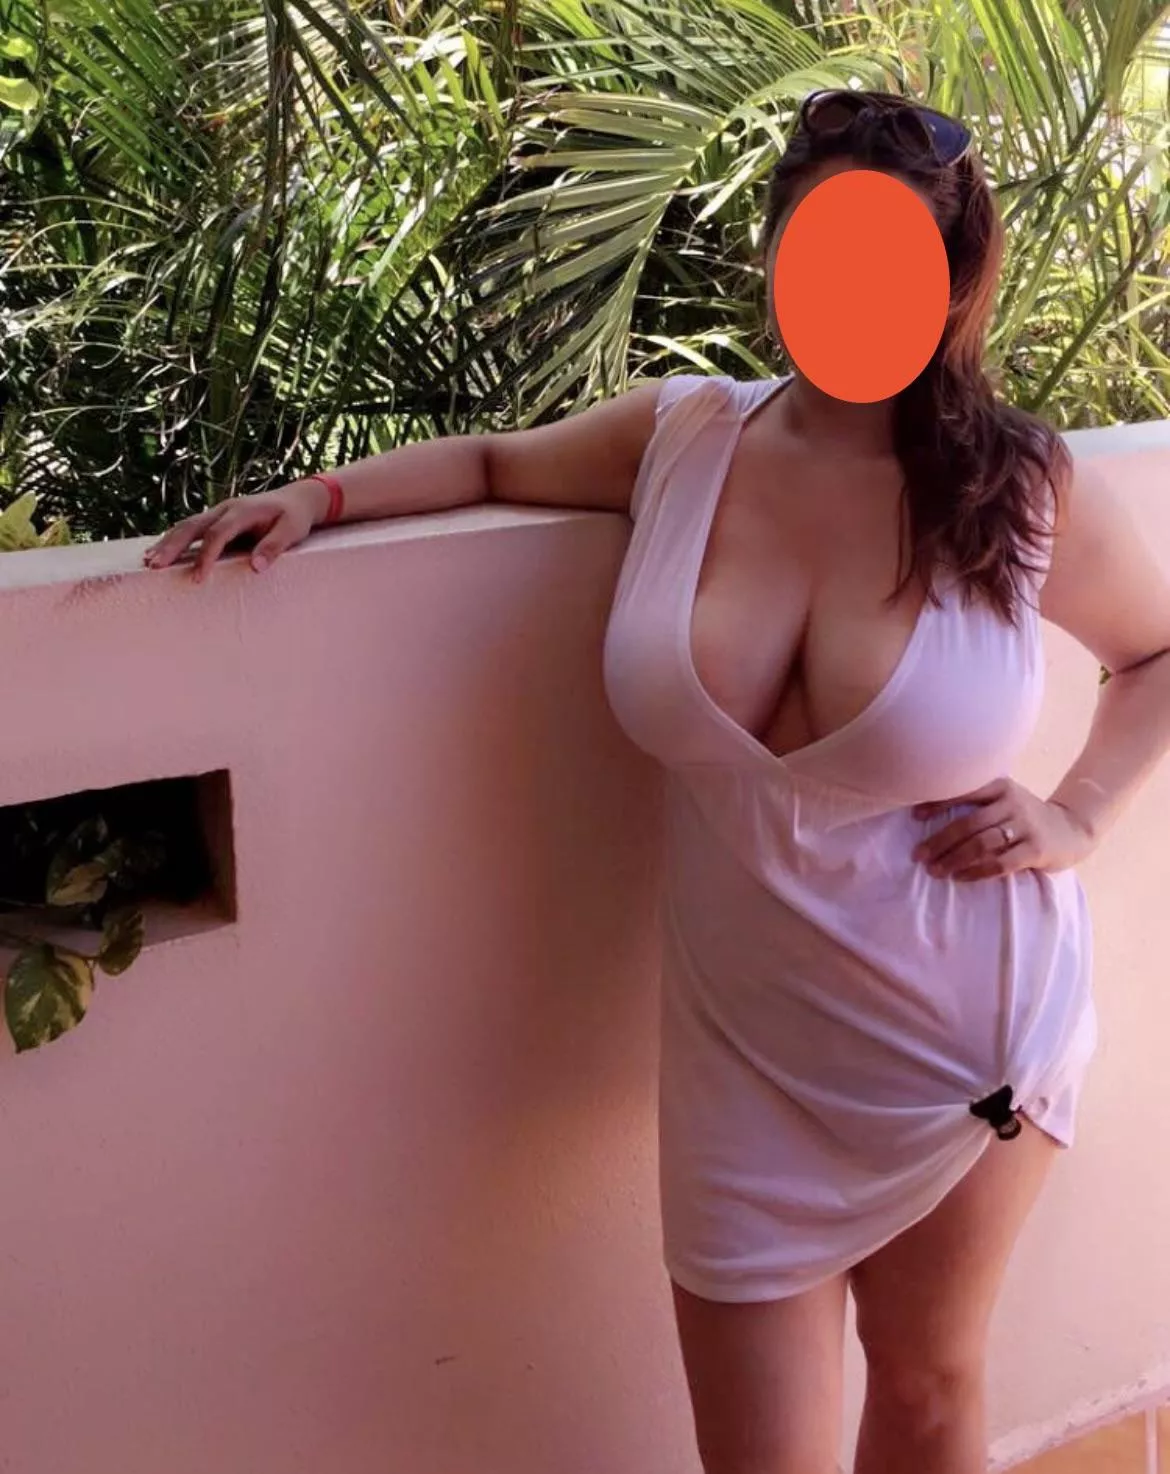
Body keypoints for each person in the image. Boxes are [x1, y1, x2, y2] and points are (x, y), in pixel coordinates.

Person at [146, 90, 1170, 1474]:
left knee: (927, 1394)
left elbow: (1156, 653)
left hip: (966, 1048)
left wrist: (1078, 812)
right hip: (745, 1066)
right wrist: (316, 500)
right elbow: (495, 462)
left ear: (949, 280)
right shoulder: (685, 439)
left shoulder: (1018, 486)